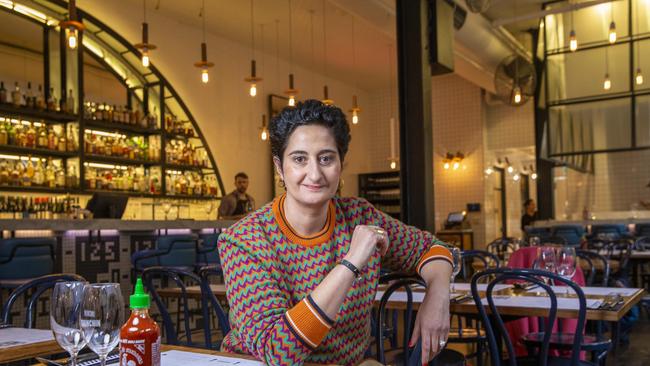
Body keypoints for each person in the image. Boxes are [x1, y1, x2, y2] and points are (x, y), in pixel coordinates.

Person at [217, 100, 453, 365]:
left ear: (341, 164)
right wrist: (351, 263)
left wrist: (437, 296)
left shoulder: (359, 216)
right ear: (279, 168)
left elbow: (431, 248)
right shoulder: (244, 239)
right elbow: (278, 352)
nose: (315, 174)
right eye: (299, 159)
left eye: (326, 158)